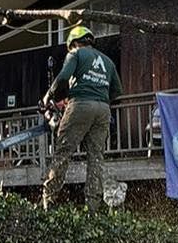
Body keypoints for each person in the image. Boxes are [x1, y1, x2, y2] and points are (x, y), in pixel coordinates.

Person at [41, 25, 122, 212]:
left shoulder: (76, 54)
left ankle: (49, 200)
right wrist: (97, 97)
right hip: (103, 110)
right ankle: (93, 206)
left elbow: (63, 77)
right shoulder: (108, 62)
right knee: (96, 157)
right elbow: (117, 91)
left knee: (63, 151)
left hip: (81, 105)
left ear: (73, 43)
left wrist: (48, 96)